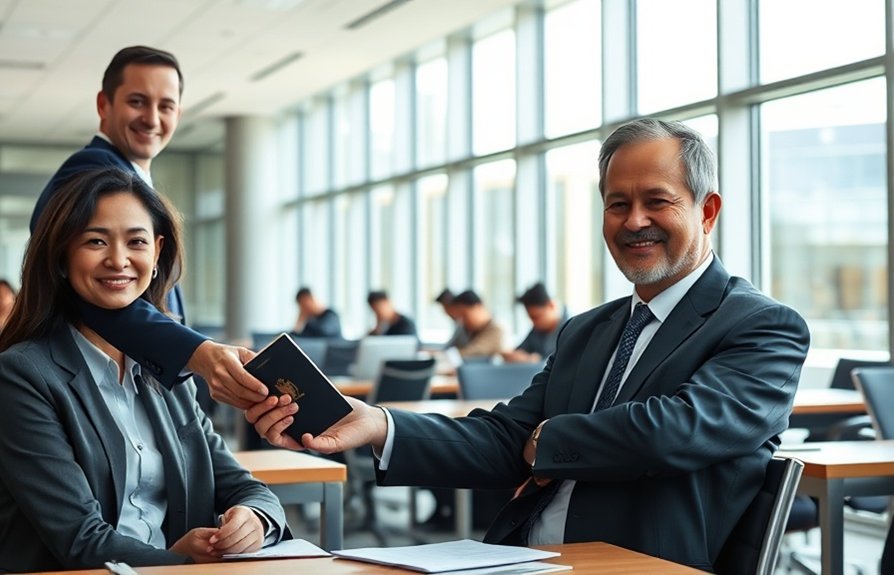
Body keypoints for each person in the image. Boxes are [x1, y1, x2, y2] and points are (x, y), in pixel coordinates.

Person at [245, 119, 810, 570]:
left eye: (657, 201)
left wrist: (549, 440)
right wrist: (377, 425)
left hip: (635, 561)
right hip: (520, 556)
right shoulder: (589, 329)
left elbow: (675, 429)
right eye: (617, 204)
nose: (634, 220)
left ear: (706, 210)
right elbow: (509, 438)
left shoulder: (762, 326)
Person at [0, 168, 286, 572]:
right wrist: (182, 561)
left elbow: (245, 487)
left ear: (157, 253)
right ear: (61, 255)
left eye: (136, 241)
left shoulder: (167, 375)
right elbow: (79, 541)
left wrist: (254, 520)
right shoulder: (21, 377)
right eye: (96, 241)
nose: (119, 260)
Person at [32, 45, 268, 411]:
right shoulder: (92, 173)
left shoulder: (134, 181)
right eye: (138, 102)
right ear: (103, 105)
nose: (153, 119)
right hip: (94, 387)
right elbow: (90, 287)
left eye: (166, 106)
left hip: (138, 385)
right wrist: (196, 352)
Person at [501, 283, 563, 363]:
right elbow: (520, 350)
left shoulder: (572, 328)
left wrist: (533, 360)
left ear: (551, 305)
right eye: (530, 318)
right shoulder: (536, 331)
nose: (534, 322)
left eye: (536, 317)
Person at [450, 290, 504, 359]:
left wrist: (444, 356)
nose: (461, 321)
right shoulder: (468, 328)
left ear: (478, 307)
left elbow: (473, 352)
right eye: (459, 317)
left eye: (464, 315)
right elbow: (451, 347)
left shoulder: (497, 328)